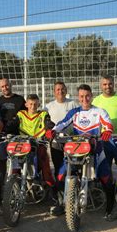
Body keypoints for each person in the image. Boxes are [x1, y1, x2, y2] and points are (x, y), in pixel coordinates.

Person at [46, 84, 114, 219]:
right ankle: (62, 202)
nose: (85, 99)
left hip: (95, 147)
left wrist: (107, 131)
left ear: (92, 96)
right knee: (60, 175)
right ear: (78, 97)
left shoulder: (100, 111)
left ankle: (111, 206)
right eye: (82, 96)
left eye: (87, 96)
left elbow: (107, 123)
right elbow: (63, 123)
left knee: (105, 176)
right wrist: (53, 131)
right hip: (77, 147)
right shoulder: (74, 112)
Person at [92, 74, 117, 218]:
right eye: (104, 84)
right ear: (100, 85)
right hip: (104, 140)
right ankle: (108, 200)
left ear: (113, 84)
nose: (107, 86)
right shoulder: (96, 100)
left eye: (110, 84)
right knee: (105, 170)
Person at [13, 94, 56, 211]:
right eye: (30, 104)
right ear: (26, 104)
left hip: (38, 144)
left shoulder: (43, 114)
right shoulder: (20, 114)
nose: (33, 106)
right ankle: (10, 195)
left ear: (39, 104)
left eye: (35, 104)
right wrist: (7, 130)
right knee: (14, 170)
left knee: (46, 171)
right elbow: (13, 124)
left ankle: (56, 198)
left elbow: (48, 123)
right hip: (22, 144)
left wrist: (48, 130)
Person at [44, 81, 79, 215]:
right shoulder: (48, 107)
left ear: (66, 90)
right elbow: (45, 123)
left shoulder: (73, 104)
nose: (60, 91)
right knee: (59, 169)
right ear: (54, 92)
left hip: (71, 142)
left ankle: (73, 196)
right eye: (57, 89)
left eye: (62, 89)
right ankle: (60, 199)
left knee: (73, 168)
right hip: (56, 142)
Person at [0, 78, 26, 183]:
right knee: (1, 158)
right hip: (3, 135)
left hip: (17, 135)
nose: (5, 88)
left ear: (11, 85)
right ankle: (3, 181)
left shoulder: (20, 99)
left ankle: (17, 182)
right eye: (2, 87)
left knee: (17, 160)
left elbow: (25, 116)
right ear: (0, 88)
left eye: (6, 85)